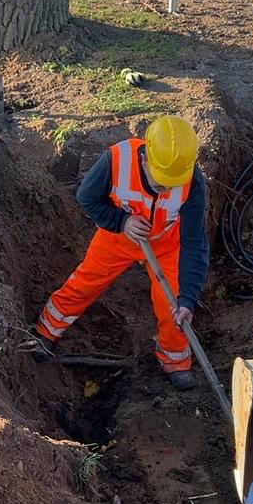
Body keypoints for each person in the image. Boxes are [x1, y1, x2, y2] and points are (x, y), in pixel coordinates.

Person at [34, 115, 209, 390]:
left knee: (173, 306)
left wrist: (188, 298)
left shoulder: (192, 180)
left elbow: (195, 242)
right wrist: (122, 221)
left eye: (171, 185)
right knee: (86, 281)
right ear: (145, 159)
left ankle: (175, 360)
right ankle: (46, 330)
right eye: (160, 183)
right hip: (118, 238)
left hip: (166, 244)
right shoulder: (117, 160)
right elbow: (87, 198)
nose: (165, 189)